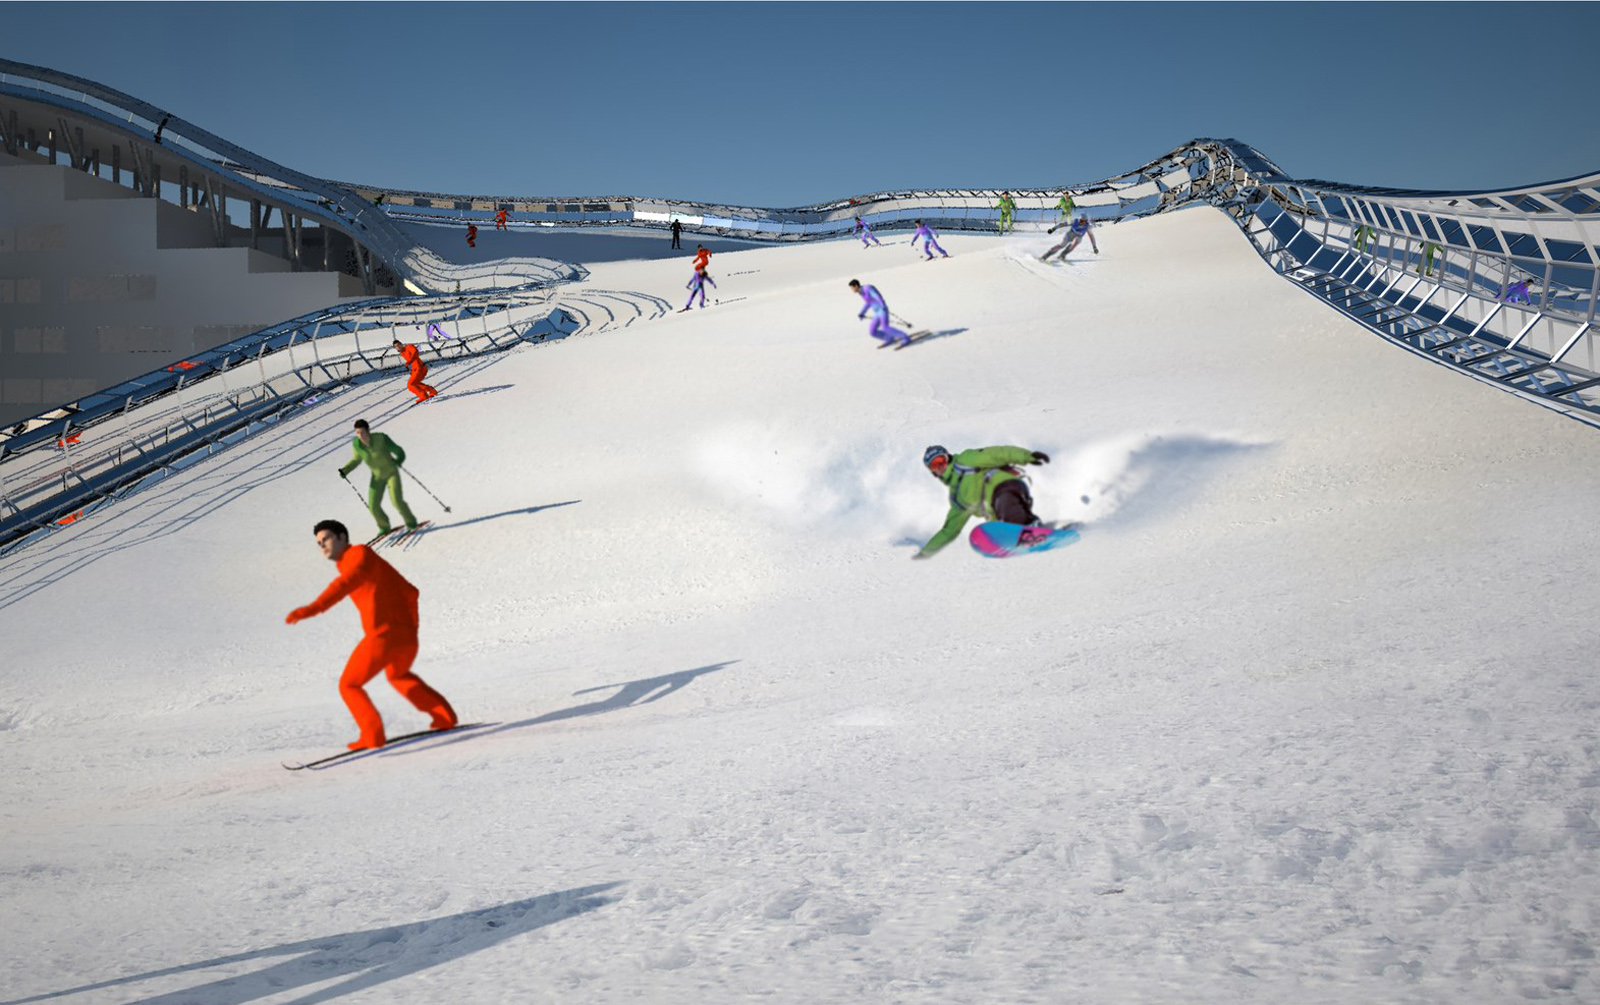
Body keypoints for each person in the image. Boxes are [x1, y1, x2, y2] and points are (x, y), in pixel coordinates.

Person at [285, 518, 457, 749]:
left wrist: (313, 608)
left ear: (342, 538)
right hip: (405, 638)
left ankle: (372, 735)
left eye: (325, 539)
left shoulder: (358, 555)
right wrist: (410, 628)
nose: (322, 546)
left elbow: (346, 582)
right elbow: (411, 592)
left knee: (349, 685)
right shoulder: (367, 560)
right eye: (319, 543)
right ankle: (444, 716)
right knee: (398, 676)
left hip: (383, 637)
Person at [913, 445, 1053, 559]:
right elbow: (949, 531)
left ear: (947, 456)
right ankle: (1027, 531)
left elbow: (995, 454)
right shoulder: (958, 498)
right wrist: (924, 553)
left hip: (1005, 486)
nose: (940, 467)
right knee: (1000, 525)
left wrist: (1026, 456)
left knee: (1005, 505)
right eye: (934, 466)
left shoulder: (965, 460)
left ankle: (1029, 529)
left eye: (941, 461)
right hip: (999, 510)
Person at [339, 419, 423, 537]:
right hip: (377, 476)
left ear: (368, 431)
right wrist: (345, 470)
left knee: (396, 501)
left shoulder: (380, 438)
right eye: (357, 433)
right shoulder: (357, 445)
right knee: (373, 506)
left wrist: (399, 460)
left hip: (391, 473)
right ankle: (384, 526)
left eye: (362, 432)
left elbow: (398, 450)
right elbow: (356, 460)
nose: (360, 435)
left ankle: (411, 522)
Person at [848, 279, 909, 347]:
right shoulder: (861, 293)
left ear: (856, 286)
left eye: (852, 288)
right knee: (872, 331)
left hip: (882, 310)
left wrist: (883, 305)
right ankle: (889, 338)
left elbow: (877, 296)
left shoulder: (868, 288)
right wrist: (862, 313)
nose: (852, 290)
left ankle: (905, 338)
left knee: (885, 327)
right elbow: (868, 303)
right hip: (876, 312)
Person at [392, 338, 437, 403]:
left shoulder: (409, 347)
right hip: (416, 369)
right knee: (415, 383)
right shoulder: (402, 353)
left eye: (399, 345)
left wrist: (410, 361)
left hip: (420, 369)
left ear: (401, 344)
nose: (398, 347)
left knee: (410, 384)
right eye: (396, 346)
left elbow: (415, 352)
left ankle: (423, 395)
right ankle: (432, 391)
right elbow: (414, 362)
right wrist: (412, 369)